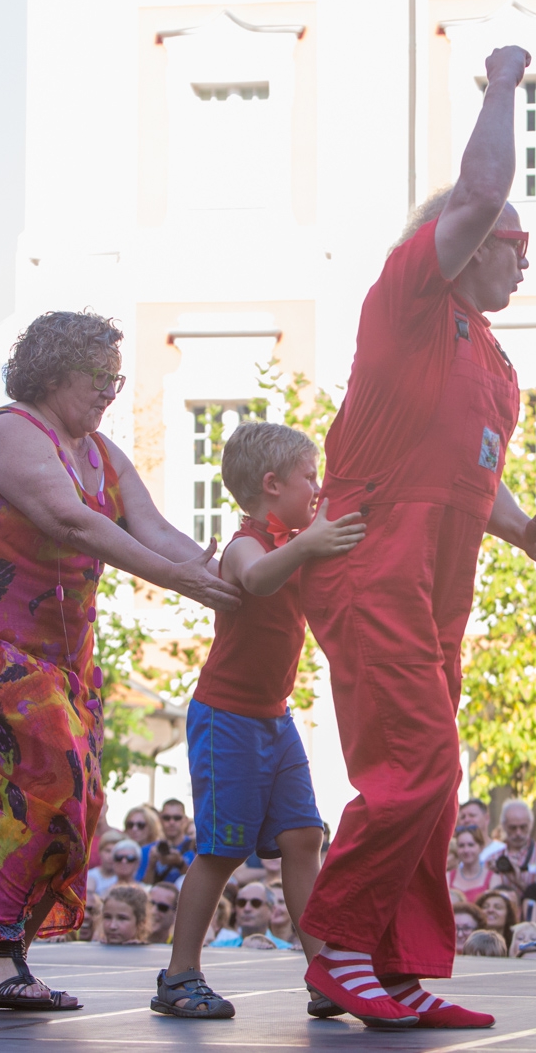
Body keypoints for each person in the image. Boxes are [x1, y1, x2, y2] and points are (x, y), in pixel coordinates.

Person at [297, 44, 536, 1032]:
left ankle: (393, 965)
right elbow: (482, 186)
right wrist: (503, 83)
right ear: (467, 241)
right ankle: (337, 947)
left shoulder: (494, 360)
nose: (525, 258)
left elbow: (468, 475)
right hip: (374, 560)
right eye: (514, 242)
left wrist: (521, 525)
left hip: (440, 573)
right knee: (418, 762)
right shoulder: (408, 301)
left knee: (434, 775)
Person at [0, 312, 241, 1011]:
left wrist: (231, 580)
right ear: (54, 371)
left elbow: (152, 528)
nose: (109, 392)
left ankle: (8, 954)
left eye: (116, 380)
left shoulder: (100, 452)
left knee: (82, 796)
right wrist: (178, 580)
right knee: (54, 768)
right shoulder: (9, 431)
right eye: (99, 377)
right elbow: (71, 520)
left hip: (63, 654)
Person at [152, 421, 354, 1018]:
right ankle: (179, 975)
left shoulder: (296, 539)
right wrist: (309, 544)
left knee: (303, 836)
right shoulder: (246, 542)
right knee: (223, 849)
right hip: (227, 716)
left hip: (274, 716)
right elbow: (258, 579)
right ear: (272, 485)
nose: (316, 488)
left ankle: (324, 974)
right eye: (308, 477)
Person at [481, 801, 536, 894]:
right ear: (503, 826)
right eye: (513, 828)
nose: (518, 833)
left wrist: (518, 882)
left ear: (531, 824)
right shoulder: (492, 859)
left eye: (523, 827)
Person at [208, 884, 293, 950]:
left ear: (271, 910)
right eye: (241, 903)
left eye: (256, 903)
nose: (247, 908)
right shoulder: (216, 947)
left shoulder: (287, 951)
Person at [143, 798, 196, 886]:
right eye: (167, 818)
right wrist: (151, 865)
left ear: (185, 820)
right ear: (160, 819)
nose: (172, 822)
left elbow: (198, 883)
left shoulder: (195, 847)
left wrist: (180, 863)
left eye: (177, 818)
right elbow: (143, 887)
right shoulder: (147, 851)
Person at [447, 826, 500, 904]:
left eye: (471, 845)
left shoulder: (493, 878)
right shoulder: (447, 877)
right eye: (461, 846)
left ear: (481, 847)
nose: (466, 850)